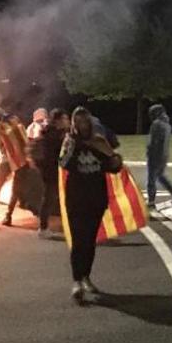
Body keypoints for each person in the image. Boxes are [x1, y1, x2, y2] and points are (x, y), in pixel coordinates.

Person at [59, 107, 123, 304]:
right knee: (78, 241)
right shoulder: (70, 141)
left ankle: (86, 276)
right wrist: (73, 146)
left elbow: (114, 166)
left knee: (89, 241)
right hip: (76, 199)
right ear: (74, 124)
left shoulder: (99, 141)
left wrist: (113, 158)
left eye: (85, 121)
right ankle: (76, 280)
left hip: (95, 198)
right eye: (78, 122)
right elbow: (64, 163)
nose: (82, 126)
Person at [28, 108, 70, 239]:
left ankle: (46, 227)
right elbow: (56, 154)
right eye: (65, 119)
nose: (68, 121)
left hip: (50, 170)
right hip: (52, 171)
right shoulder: (54, 134)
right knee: (49, 198)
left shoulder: (52, 132)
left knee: (52, 198)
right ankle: (43, 227)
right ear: (58, 120)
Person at [146, 104, 172, 208]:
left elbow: (154, 142)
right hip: (164, 154)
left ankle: (151, 201)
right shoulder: (167, 124)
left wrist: (150, 151)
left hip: (155, 154)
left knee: (151, 178)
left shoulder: (156, 124)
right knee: (160, 176)